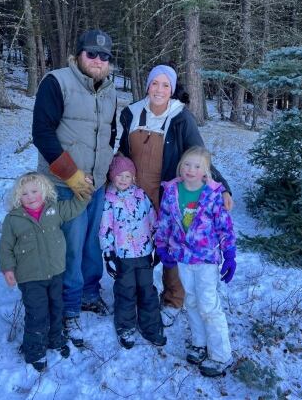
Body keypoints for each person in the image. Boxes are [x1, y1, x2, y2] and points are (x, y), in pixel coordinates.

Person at [117, 64, 233, 327]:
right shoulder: (131, 113)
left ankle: (173, 298)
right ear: (147, 85)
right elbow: (122, 153)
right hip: (135, 195)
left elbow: (198, 154)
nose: (159, 89)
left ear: (172, 89)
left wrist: (222, 186)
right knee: (137, 245)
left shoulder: (181, 117)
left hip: (168, 195)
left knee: (172, 244)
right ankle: (140, 293)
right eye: (154, 83)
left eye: (165, 85)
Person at [31, 29, 118, 347]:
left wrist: (105, 172)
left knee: (92, 243)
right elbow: (42, 132)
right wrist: (72, 176)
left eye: (104, 56)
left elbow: (110, 133)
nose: (98, 60)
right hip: (65, 185)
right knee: (70, 245)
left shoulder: (110, 90)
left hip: (96, 184)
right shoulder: (57, 82)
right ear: (79, 54)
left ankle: (90, 294)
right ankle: (68, 309)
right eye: (92, 54)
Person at [154, 147, 237, 377]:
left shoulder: (212, 194)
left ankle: (221, 355)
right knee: (190, 301)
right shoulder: (172, 191)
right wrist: (162, 245)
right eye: (187, 164)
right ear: (181, 166)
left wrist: (229, 253)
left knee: (208, 304)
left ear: (206, 171)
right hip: (182, 258)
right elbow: (165, 222)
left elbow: (224, 226)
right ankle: (199, 343)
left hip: (206, 259)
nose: (191, 170)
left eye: (197, 166)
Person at [0, 172, 90, 371]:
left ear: (44, 191)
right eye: (24, 194)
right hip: (30, 277)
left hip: (55, 272)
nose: (30, 197)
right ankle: (34, 350)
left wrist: (85, 190)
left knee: (56, 307)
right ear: (17, 198)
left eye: (34, 191)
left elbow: (75, 206)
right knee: (37, 313)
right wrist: (8, 269)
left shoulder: (54, 210)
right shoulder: (13, 220)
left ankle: (56, 339)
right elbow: (5, 247)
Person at [99, 155, 166, 349]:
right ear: (112, 177)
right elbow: (105, 228)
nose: (123, 179)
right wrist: (108, 254)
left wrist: (159, 245)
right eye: (119, 175)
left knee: (147, 290)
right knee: (126, 290)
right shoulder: (109, 200)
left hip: (144, 253)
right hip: (123, 256)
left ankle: (151, 326)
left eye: (127, 176)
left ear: (133, 178)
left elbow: (153, 220)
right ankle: (125, 326)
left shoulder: (141, 196)